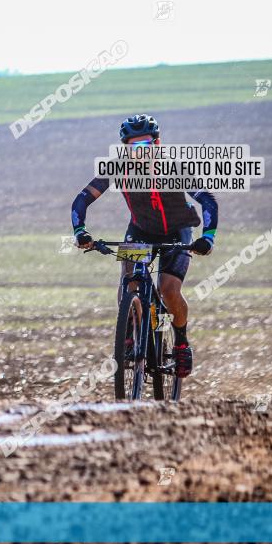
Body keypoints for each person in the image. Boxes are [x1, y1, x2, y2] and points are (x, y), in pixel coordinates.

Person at [70, 114, 219, 378]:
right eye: (133, 147)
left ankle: (181, 342)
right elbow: (81, 199)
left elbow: (208, 201)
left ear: (157, 143)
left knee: (168, 290)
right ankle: (129, 331)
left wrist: (208, 237)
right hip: (140, 231)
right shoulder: (117, 168)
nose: (140, 153)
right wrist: (81, 231)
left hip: (177, 232)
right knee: (129, 281)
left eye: (146, 146)